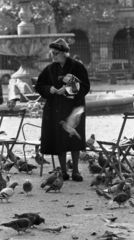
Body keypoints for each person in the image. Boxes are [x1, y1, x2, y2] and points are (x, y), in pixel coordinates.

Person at [35, 38, 90, 182]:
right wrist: (50, 89)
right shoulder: (50, 68)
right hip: (55, 109)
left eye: (56, 53)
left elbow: (85, 87)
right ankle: (63, 172)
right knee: (60, 140)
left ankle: (76, 171)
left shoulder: (77, 66)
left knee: (74, 139)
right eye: (52, 53)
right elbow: (39, 85)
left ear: (65, 53)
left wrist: (66, 90)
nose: (53, 56)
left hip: (73, 108)